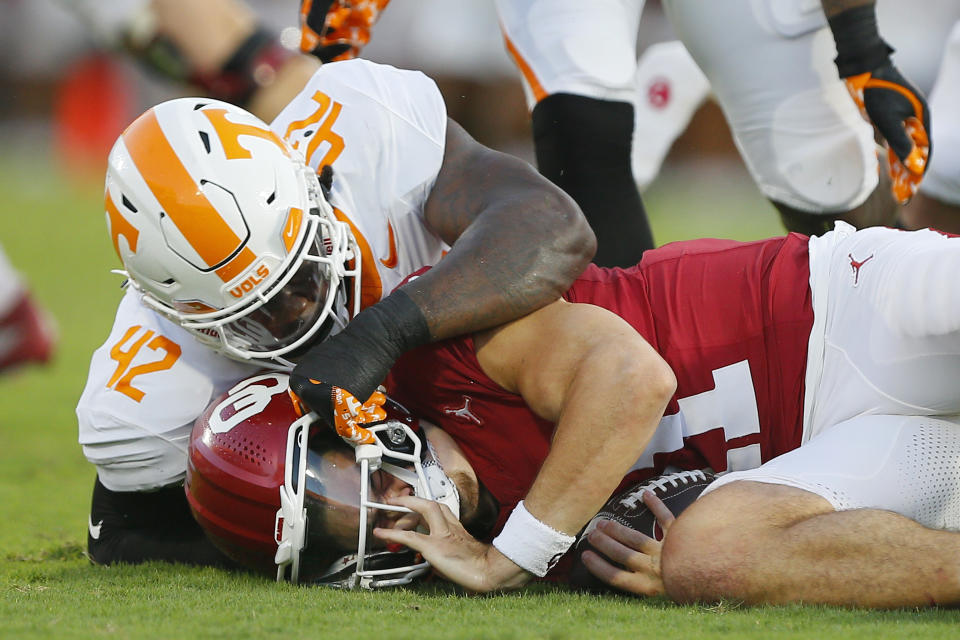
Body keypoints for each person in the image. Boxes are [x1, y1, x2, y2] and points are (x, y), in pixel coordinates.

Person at [189, 220, 960, 606]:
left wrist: (508, 557)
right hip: (837, 447)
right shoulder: (474, 544)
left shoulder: (441, 349)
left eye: (354, 484)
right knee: (706, 556)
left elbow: (632, 380)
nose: (390, 512)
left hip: (840, 310)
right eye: (348, 532)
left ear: (358, 421)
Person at [77, 56, 594, 567]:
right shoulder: (145, 399)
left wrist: (381, 334)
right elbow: (121, 534)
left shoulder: (363, 127)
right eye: (256, 316)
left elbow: (555, 226)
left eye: (301, 276)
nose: (301, 312)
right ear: (181, 315)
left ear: (309, 192)